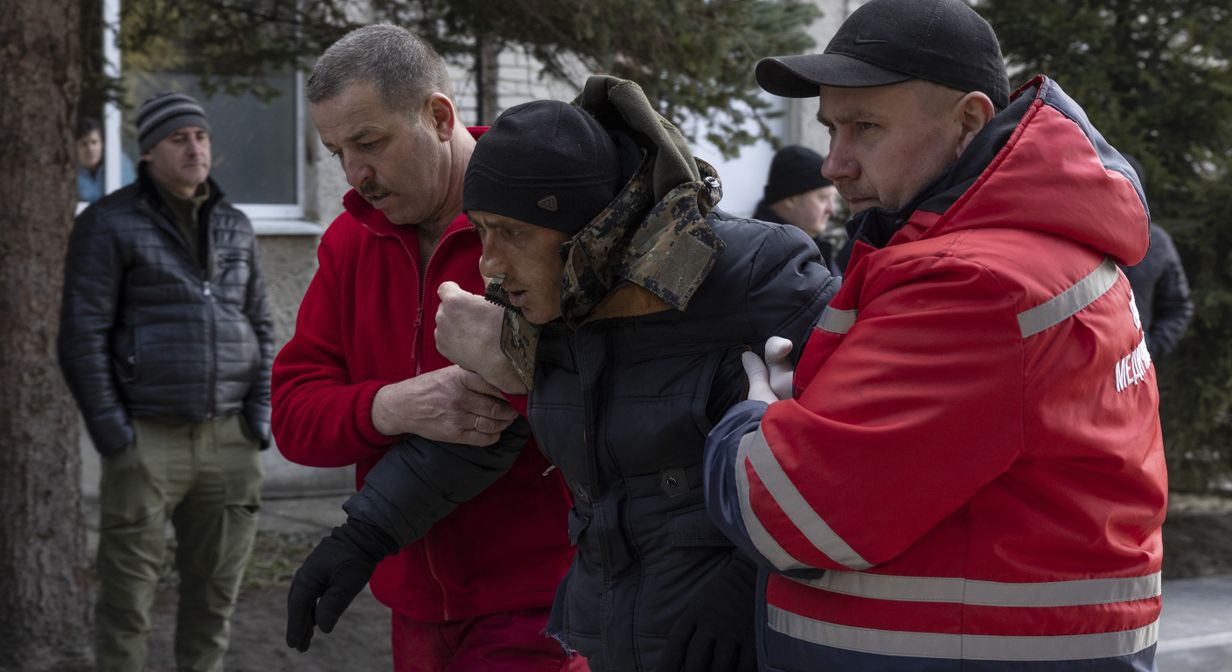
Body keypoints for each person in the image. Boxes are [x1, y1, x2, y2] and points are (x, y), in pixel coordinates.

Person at [285, 79, 839, 672]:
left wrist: (748, 580)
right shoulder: (565, 289)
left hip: (737, 632)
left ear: (585, 225)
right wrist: (362, 536)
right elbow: (493, 425)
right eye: (480, 231)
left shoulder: (755, 273)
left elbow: (848, 444)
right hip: (608, 632)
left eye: (512, 233)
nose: (488, 264)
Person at [702, 0, 1167, 671]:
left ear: (968, 121)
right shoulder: (1047, 246)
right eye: (830, 129)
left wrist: (748, 419)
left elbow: (790, 513)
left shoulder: (976, 281)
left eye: (865, 127)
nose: (835, 162)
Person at [269, 23, 578, 671]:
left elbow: (594, 398)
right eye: (336, 152)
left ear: (439, 116)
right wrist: (395, 405)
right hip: (410, 602)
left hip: (541, 598)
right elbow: (294, 421)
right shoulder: (348, 243)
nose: (356, 173)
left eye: (369, 142)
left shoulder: (546, 222)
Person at [58, 91, 274, 671]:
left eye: (201, 137)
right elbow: (82, 336)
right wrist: (115, 438)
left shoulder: (234, 225)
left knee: (215, 599)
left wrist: (258, 420)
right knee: (126, 603)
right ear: (149, 151)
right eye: (179, 138)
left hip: (230, 440)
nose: (195, 147)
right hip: (146, 443)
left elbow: (261, 324)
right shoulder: (109, 223)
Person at [1120, 153, 1194, 361]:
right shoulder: (1080, 238)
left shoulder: (1158, 243)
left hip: (1135, 376)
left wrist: (1148, 350)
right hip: (1081, 375)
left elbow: (1178, 306)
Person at [752, 144, 840, 270]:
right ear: (790, 199)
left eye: (833, 199)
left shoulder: (813, 247)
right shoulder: (762, 257)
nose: (831, 210)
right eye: (823, 198)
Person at [74, 116, 135, 203]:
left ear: (102, 144)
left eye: (94, 142)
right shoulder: (70, 172)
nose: (90, 149)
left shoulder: (118, 164)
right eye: (84, 144)